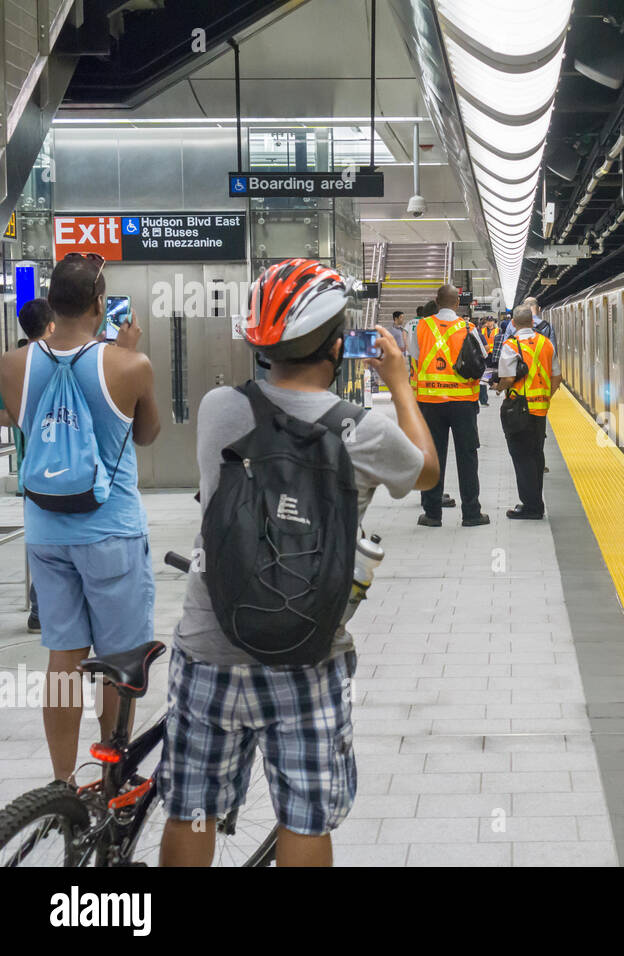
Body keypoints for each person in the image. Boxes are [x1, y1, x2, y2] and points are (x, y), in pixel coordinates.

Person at [158, 258, 439, 868]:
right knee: (304, 819)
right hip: (308, 655)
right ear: (339, 346)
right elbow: (427, 470)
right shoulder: (364, 433)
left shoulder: (217, 410)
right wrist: (399, 383)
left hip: (211, 646)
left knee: (192, 810)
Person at [0, 255, 161, 785]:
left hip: (45, 533)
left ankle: (62, 783)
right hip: (110, 531)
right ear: (99, 305)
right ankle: (114, 774)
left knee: (63, 660)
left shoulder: (10, 363)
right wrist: (128, 354)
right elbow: (146, 434)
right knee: (120, 660)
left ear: (50, 301)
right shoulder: (128, 364)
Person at [413, 285, 490, 528]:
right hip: (463, 403)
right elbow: (482, 357)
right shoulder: (469, 328)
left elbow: (415, 357)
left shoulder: (421, 327)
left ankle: (433, 514)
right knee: (467, 456)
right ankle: (471, 513)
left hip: (430, 402)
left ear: (436, 301)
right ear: (458, 303)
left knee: (433, 457)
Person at [2, 299, 57, 632]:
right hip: (65, 466)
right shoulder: (63, 360)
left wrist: (21, 416)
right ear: (51, 324)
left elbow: (6, 414)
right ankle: (50, 606)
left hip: (31, 470)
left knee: (41, 540)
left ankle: (40, 609)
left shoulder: (10, 364)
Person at [493, 305, 562, 519]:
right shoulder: (547, 343)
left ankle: (531, 507)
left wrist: (498, 387)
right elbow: (556, 378)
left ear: (513, 323)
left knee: (521, 457)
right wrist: (545, 396)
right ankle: (536, 503)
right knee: (536, 456)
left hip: (518, 409)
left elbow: (507, 379)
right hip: (540, 408)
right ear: (533, 322)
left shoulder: (511, 345)